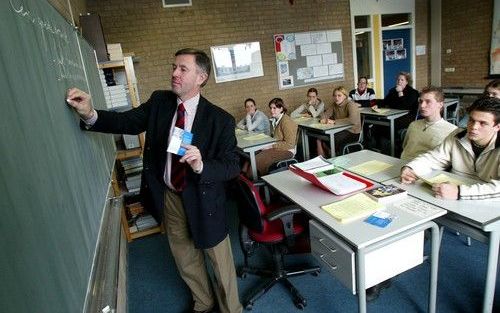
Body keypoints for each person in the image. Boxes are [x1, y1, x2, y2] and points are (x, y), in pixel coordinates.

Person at [66, 48, 242, 313]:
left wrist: (203, 164)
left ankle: (231, 309)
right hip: (170, 196)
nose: (174, 74)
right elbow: (127, 121)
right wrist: (90, 113)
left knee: (219, 261)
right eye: (174, 67)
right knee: (184, 255)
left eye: (183, 69)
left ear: (201, 77)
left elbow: (232, 165)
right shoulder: (160, 102)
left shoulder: (220, 120)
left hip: (205, 198)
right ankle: (203, 302)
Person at [401, 96, 499, 200]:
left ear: (497, 127)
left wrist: (460, 192)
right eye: (471, 120)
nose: (474, 127)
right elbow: (434, 158)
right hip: (451, 198)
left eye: (483, 123)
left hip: (488, 203)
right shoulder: (457, 135)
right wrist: (411, 168)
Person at [400, 86, 458, 160]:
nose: (422, 105)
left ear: (440, 104)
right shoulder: (413, 125)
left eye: (428, 101)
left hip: (428, 169)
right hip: (402, 164)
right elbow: (405, 147)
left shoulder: (451, 131)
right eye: (421, 101)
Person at [248, 98, 298, 178]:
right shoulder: (275, 120)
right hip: (277, 147)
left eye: (274, 108)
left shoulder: (286, 121)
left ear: (281, 108)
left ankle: (256, 182)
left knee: (259, 159)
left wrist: (271, 146)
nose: (272, 110)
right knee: (254, 153)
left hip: (287, 150)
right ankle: (246, 178)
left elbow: (290, 144)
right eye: (271, 108)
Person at [317, 86, 361, 157]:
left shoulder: (351, 104)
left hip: (352, 131)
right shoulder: (334, 105)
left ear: (345, 96)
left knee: (332, 138)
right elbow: (325, 114)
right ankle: (325, 158)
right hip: (339, 130)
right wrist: (323, 118)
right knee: (321, 136)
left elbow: (353, 120)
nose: (336, 98)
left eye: (339, 95)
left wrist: (334, 122)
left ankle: (334, 156)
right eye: (334, 96)